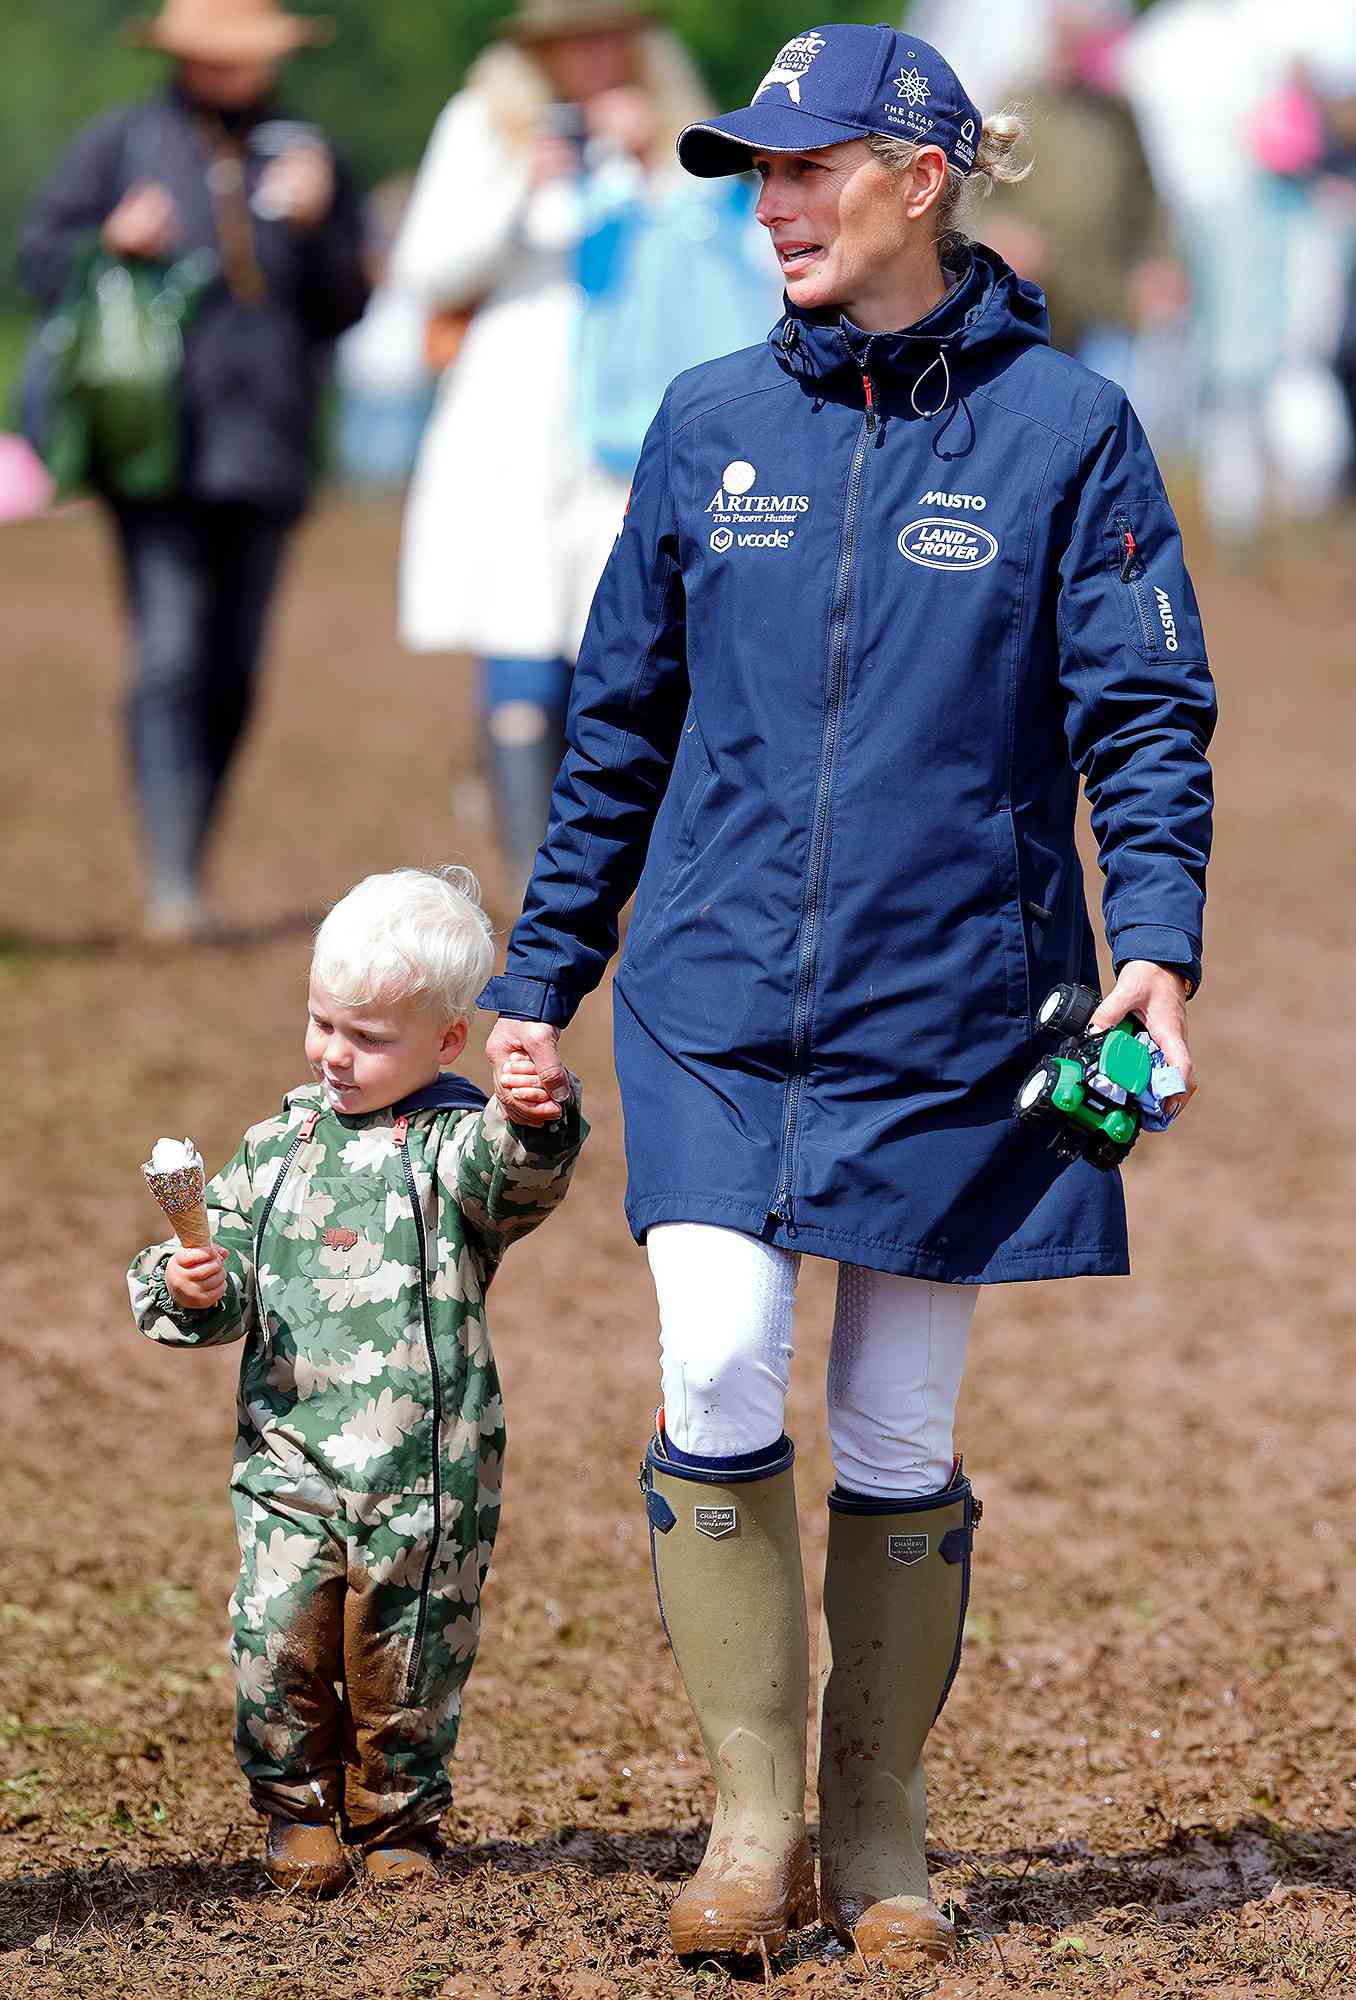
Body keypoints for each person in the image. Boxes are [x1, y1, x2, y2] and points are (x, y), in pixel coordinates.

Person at [480, 21, 1216, 1971]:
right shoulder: (709, 420)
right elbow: (613, 728)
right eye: (754, 174)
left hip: (969, 1010)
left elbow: (1144, 713)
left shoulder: (1072, 430)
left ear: (921, 179)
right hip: (717, 996)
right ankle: (753, 1820)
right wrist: (539, 973)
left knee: (897, 1422)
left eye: (806, 168)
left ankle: (881, 1829)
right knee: (717, 1356)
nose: (773, 204)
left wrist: (1156, 934)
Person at [127, 867, 586, 1892]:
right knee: (275, 1639)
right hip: (287, 1452)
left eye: (368, 1036)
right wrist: (195, 1280)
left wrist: (535, 1113)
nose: (335, 1052)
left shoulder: (453, 1146)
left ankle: (397, 1820)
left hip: (427, 1469)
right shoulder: (271, 1148)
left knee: (409, 1653)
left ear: (448, 1042)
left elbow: (516, 1177)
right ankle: (296, 1808)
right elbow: (223, 1276)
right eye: (321, 1021)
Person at [20, 0, 369, 941]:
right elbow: (39, 260)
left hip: (268, 449)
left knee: (236, 669)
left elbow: (347, 305)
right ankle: (172, 878)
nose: (229, 70)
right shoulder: (122, 142)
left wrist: (319, 221)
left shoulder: (315, 153)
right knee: (169, 652)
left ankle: (192, 850)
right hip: (153, 449)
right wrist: (112, 243)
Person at [388, 0, 732, 886]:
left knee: (628, 645)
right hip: (516, 421)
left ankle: (616, 864)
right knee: (519, 628)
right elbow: (426, 267)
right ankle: (526, 868)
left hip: (634, 425)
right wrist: (523, 184)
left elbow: (727, 259)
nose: (595, 54)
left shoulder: (677, 130)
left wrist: (656, 159)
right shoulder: (483, 125)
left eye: (611, 34)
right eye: (574, 38)